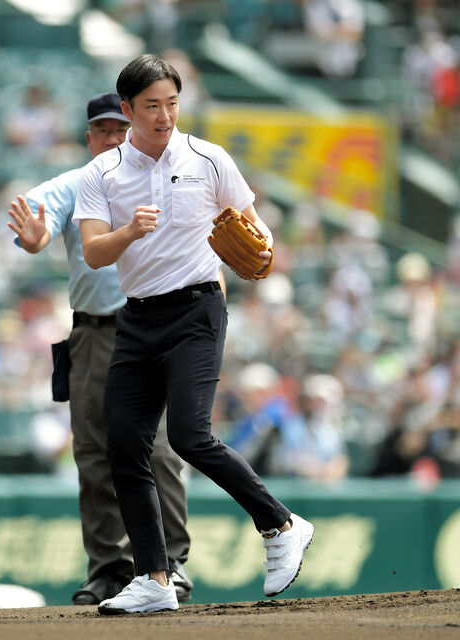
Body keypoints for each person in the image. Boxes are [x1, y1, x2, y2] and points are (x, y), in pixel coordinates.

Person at [72, 54, 315, 615]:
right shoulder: (102, 173)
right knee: (124, 443)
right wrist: (130, 229)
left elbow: (254, 225)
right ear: (127, 109)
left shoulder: (209, 158)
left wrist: (263, 245)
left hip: (197, 312)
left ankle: (280, 524)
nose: (164, 115)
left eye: (172, 103)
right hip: (135, 318)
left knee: (187, 434)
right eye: (151, 105)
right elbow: (92, 251)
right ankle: (154, 578)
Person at [7, 92, 193, 605]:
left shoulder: (164, 175)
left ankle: (169, 564)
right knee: (92, 450)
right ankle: (109, 568)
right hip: (91, 332)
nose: (112, 138)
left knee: (155, 450)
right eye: (102, 131)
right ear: (89, 138)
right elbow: (36, 226)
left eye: (120, 128)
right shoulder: (77, 183)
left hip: (150, 325)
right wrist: (35, 238)